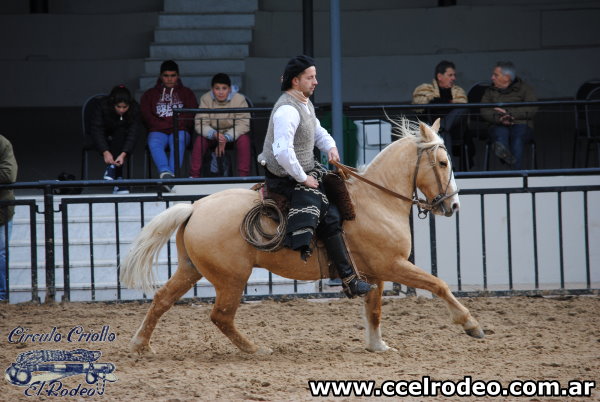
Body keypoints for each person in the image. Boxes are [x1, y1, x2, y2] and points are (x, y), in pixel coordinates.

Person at [257, 55, 375, 298]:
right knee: (330, 215)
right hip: (286, 178)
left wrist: (329, 146)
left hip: (303, 169)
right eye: (310, 78)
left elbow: (317, 130)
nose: (316, 82)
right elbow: (282, 152)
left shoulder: (303, 103)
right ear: (295, 81)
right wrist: (302, 179)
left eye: (315, 77)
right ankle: (349, 279)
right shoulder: (287, 110)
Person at [141, 59, 198, 189]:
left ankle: (171, 177)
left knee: (179, 139)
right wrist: (170, 124)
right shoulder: (149, 94)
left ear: (178, 76)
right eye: (166, 75)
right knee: (154, 142)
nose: (169, 79)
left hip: (179, 130)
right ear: (161, 76)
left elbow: (190, 115)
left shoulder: (187, 93)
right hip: (158, 131)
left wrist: (172, 126)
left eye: (173, 75)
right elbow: (146, 116)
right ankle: (166, 173)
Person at [191, 73, 251, 177]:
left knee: (244, 140)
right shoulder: (206, 99)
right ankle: (193, 176)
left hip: (233, 136)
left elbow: (243, 124)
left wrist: (226, 138)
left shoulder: (239, 99)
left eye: (224, 88)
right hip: (212, 135)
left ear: (230, 89)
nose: (220, 92)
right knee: (199, 141)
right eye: (217, 88)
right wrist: (215, 134)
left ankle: (243, 177)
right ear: (212, 89)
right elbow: (200, 122)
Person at [412, 60, 470, 167]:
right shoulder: (426, 89)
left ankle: (443, 126)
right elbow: (420, 104)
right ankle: (449, 168)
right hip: (435, 131)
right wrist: (447, 103)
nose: (454, 78)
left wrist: (437, 103)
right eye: (450, 75)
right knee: (443, 134)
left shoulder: (458, 91)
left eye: (454, 75)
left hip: (455, 130)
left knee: (462, 109)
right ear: (440, 76)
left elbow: (462, 105)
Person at [480, 61, 537, 169]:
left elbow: (532, 108)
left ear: (507, 77)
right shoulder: (490, 91)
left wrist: (510, 115)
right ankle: (511, 166)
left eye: (496, 75)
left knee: (517, 138)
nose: (492, 78)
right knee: (500, 135)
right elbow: (484, 110)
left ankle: (514, 172)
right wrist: (500, 118)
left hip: (520, 124)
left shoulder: (525, 89)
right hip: (497, 124)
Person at [89, 85, 141, 194]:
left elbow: (133, 133)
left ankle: (113, 170)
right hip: (102, 140)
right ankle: (119, 180)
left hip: (121, 142)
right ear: (112, 103)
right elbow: (96, 130)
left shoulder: (134, 108)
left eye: (125, 107)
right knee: (115, 136)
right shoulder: (102, 106)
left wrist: (123, 154)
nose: (122, 110)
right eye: (118, 106)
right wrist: (105, 152)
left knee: (120, 132)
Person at [0, 135, 17, 302]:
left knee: (1, 253)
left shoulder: (2, 143)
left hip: (2, 208)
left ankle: (1, 295)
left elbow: (8, 175)